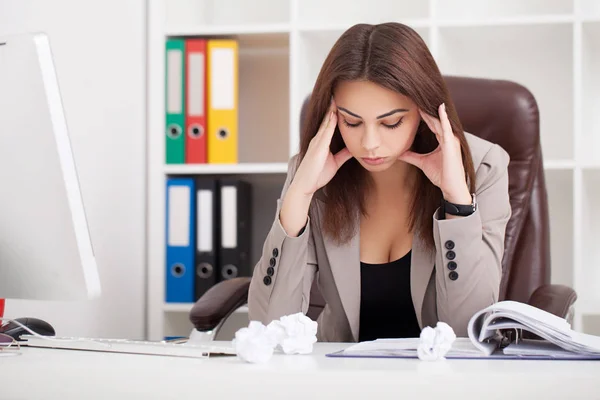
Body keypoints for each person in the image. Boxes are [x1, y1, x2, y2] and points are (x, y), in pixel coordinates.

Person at [247, 22, 511, 342]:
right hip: (343, 376)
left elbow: (471, 331)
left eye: (392, 122)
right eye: (352, 121)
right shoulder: (314, 174)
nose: (370, 143)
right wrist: (299, 196)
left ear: (423, 110)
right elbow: (268, 327)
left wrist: (456, 199)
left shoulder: (483, 167)